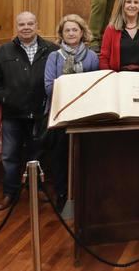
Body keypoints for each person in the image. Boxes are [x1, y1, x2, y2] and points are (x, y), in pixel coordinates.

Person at [0, 11, 58, 211]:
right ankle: (10, 193)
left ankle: (38, 189)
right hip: (12, 114)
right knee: (10, 155)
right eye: (22, 24)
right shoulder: (3, 51)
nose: (26, 27)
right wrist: (5, 98)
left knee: (38, 154)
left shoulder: (51, 50)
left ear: (37, 25)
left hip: (40, 113)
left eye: (30, 23)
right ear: (16, 27)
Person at [44, 15, 99, 209]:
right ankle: (62, 193)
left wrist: (69, 86)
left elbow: (95, 86)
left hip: (84, 113)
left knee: (85, 154)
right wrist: (75, 88)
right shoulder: (54, 57)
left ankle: (84, 194)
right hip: (61, 112)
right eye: (67, 30)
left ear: (82, 32)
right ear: (61, 34)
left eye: (75, 30)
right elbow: (49, 86)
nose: (71, 33)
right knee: (60, 155)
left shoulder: (92, 56)